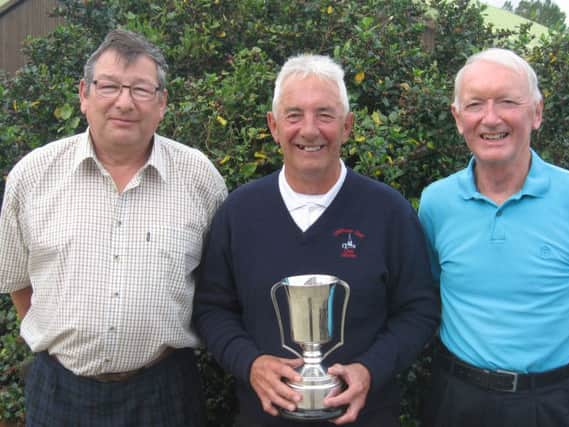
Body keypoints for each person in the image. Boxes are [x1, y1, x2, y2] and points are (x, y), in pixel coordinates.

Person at [192, 54, 440, 427]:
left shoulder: (388, 211)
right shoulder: (239, 212)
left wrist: (370, 369)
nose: (309, 130)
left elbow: (419, 310)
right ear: (274, 127)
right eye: (294, 115)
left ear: (347, 126)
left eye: (325, 114)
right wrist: (251, 363)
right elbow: (212, 309)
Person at [0, 29, 227, 426]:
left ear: (162, 103)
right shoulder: (32, 176)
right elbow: (18, 280)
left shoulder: (199, 179)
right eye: (109, 87)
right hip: (59, 391)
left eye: (141, 89)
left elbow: (218, 285)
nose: (124, 102)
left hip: (165, 390)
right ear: (84, 94)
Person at [418, 47, 569, 427]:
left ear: (537, 112)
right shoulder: (436, 203)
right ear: (457, 118)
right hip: (454, 399)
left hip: (551, 403)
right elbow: (433, 291)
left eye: (507, 102)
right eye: (474, 105)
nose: (490, 118)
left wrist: (555, 373)